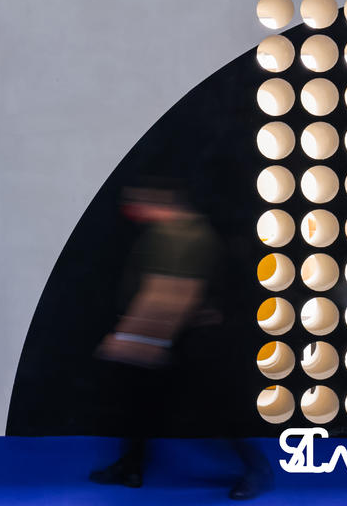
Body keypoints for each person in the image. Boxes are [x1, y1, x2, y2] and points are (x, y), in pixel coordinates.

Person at [88, 184, 271, 500]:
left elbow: (174, 294)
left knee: (212, 409)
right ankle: (131, 467)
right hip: (171, 336)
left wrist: (132, 338)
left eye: (139, 199)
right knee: (140, 405)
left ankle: (256, 471)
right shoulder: (167, 232)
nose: (133, 207)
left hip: (189, 338)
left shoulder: (179, 235)